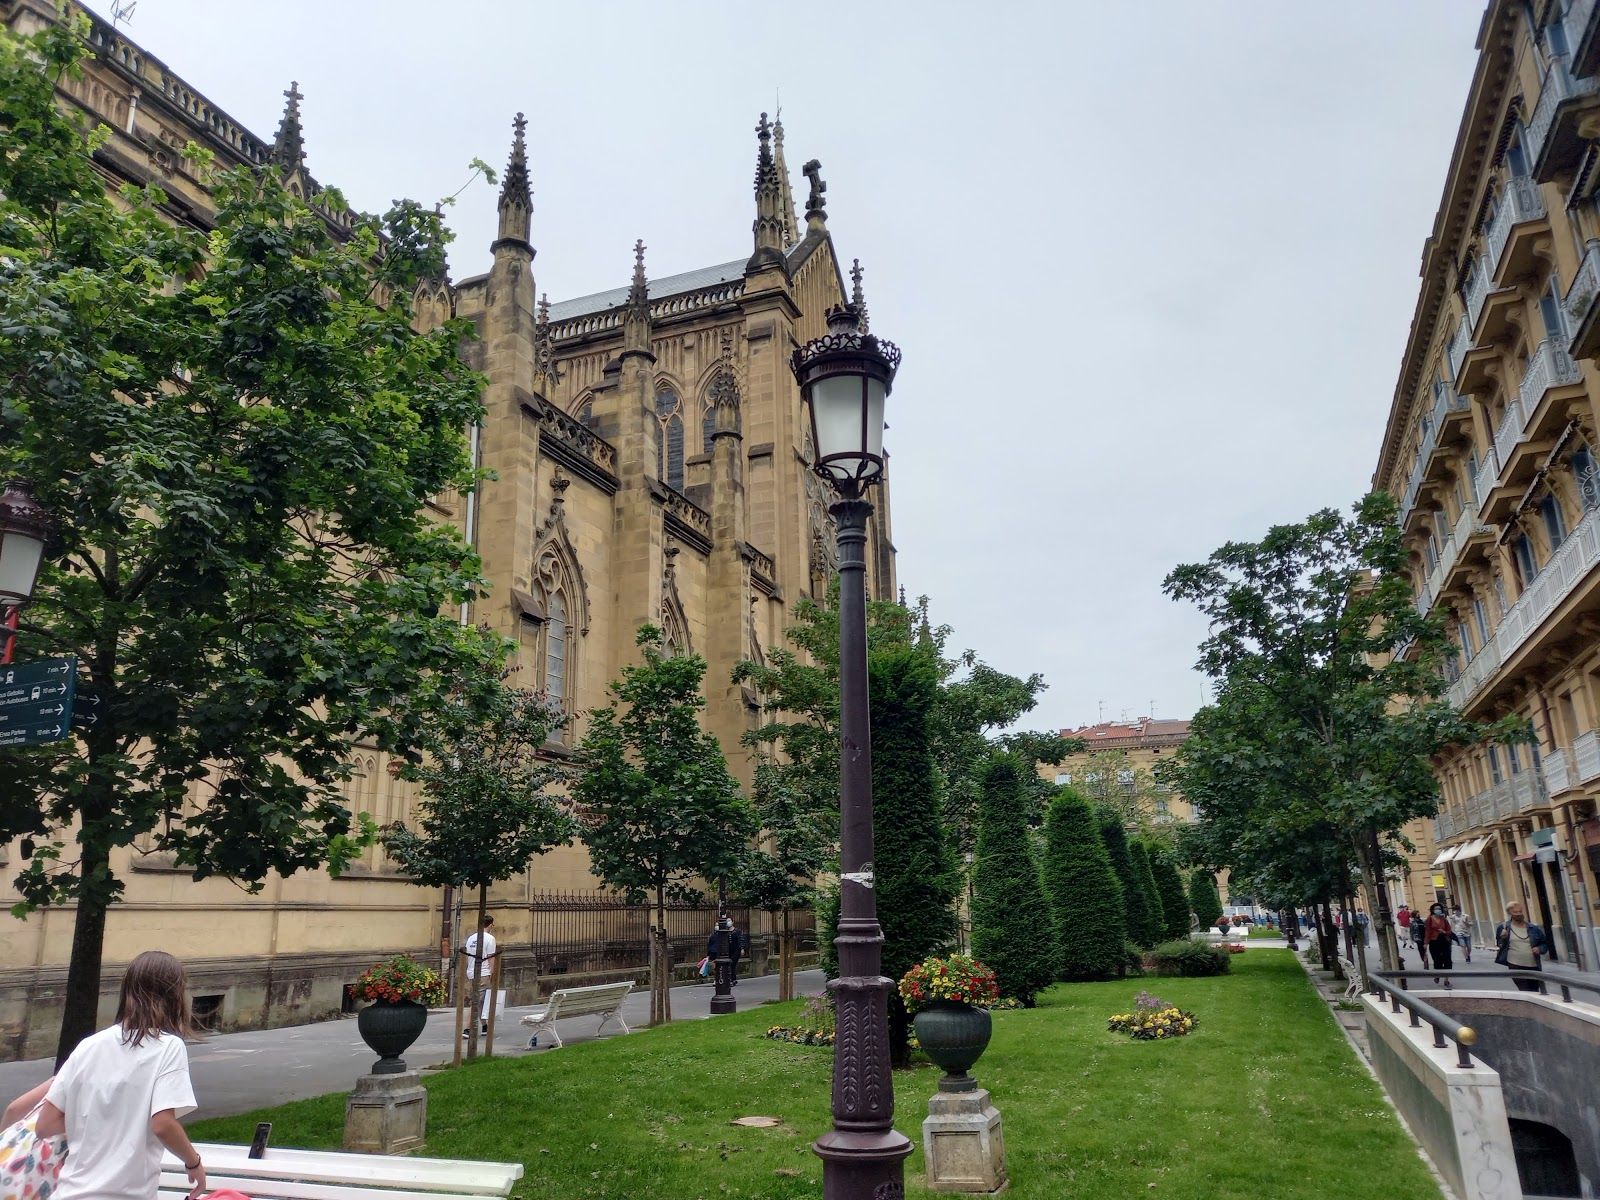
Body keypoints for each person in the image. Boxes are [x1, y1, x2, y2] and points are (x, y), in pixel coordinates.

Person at [34, 949, 203, 1200]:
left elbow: (45, 1125)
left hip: (70, 1193)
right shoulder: (168, 1047)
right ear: (175, 995)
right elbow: (163, 1124)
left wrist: (99, 1127)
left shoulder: (88, 1046)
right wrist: (193, 1163)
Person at [1494, 901, 1549, 992]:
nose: (1519, 914)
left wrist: (1540, 949)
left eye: (1520, 911)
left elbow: (1544, 944)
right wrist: (1503, 938)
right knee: (1524, 990)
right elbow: (1500, 945)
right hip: (1515, 964)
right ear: (1509, 913)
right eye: (1515, 912)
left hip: (1533, 965)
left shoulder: (1533, 928)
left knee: (1534, 990)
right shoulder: (1503, 928)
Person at [462, 913, 498, 1037]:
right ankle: (467, 1028)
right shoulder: (490, 938)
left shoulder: (471, 938)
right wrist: (492, 973)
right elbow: (491, 958)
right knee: (476, 1001)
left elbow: (467, 956)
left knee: (482, 1001)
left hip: (471, 972)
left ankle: (484, 1026)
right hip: (483, 972)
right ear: (491, 924)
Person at [1423, 902, 1454, 982]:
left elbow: (1449, 930)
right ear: (1433, 910)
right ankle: (1438, 974)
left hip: (1444, 941)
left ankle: (1446, 979)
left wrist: (1444, 932)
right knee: (1437, 959)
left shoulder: (1444, 919)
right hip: (1434, 942)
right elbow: (1427, 931)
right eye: (1436, 909)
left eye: (1439, 909)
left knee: (1447, 959)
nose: (1438, 910)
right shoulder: (1429, 919)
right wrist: (1426, 943)